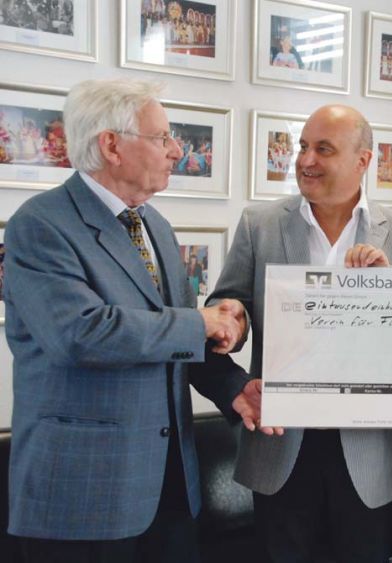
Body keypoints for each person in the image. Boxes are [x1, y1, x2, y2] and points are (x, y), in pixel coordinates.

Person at [3, 78, 271, 563]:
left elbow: (176, 342)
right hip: (83, 496)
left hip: (170, 488)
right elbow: (80, 334)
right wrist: (201, 323)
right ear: (111, 145)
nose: (176, 151)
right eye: (162, 137)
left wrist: (234, 388)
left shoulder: (155, 226)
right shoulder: (40, 225)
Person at [208, 104, 392, 562]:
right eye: (303, 147)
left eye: (323, 149)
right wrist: (232, 320)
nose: (306, 160)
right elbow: (230, 307)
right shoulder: (259, 225)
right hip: (281, 449)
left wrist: (390, 290)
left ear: (363, 161)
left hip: (370, 456)